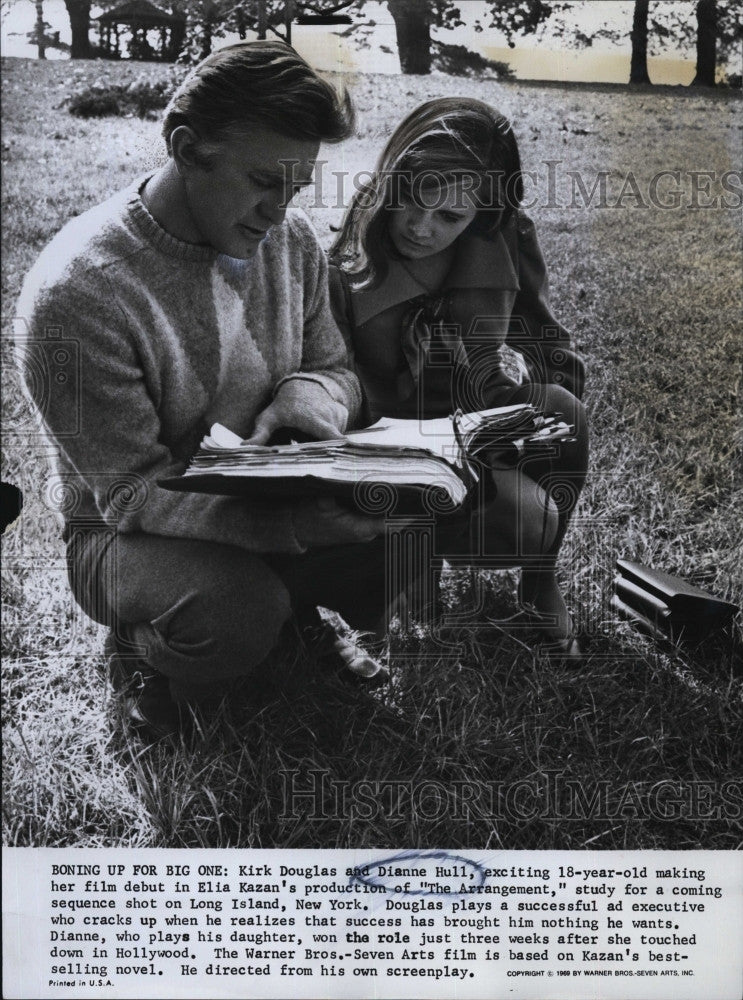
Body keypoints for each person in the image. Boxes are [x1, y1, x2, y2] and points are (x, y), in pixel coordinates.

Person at [16, 41, 391, 738]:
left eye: (295, 187)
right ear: (188, 149)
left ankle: (293, 611)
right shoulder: (77, 294)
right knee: (234, 612)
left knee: (398, 536)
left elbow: (336, 370)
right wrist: (291, 527)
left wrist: (299, 417)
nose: (279, 211)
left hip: (267, 493)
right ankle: (146, 648)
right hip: (119, 537)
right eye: (262, 181)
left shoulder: (292, 240)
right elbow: (128, 493)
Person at [328, 97, 589, 656]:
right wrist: (412, 392)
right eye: (412, 201)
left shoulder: (504, 236)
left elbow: (554, 352)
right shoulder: (353, 235)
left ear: (482, 214)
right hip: (381, 443)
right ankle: (402, 573)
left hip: (480, 435)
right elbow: (326, 368)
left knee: (562, 415)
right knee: (390, 585)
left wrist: (514, 362)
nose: (421, 229)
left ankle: (541, 581)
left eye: (450, 216)